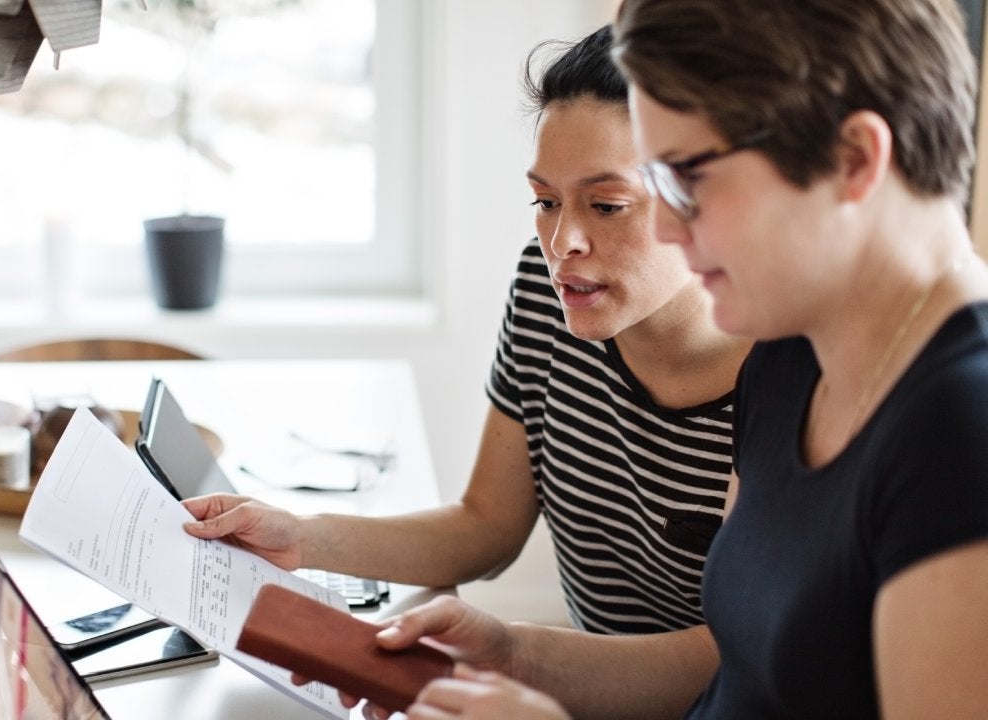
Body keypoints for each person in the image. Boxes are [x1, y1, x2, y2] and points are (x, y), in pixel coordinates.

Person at [339, 1, 988, 718]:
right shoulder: (788, 358)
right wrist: (514, 656)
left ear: (855, 159)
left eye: (690, 178)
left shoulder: (963, 426)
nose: (670, 227)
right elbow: (733, 671)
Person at [183, 24, 752, 635]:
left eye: (606, 205)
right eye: (546, 202)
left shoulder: (784, 367)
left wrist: (510, 658)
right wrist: (301, 536)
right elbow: (487, 526)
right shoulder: (548, 287)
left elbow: (735, 664)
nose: (563, 244)